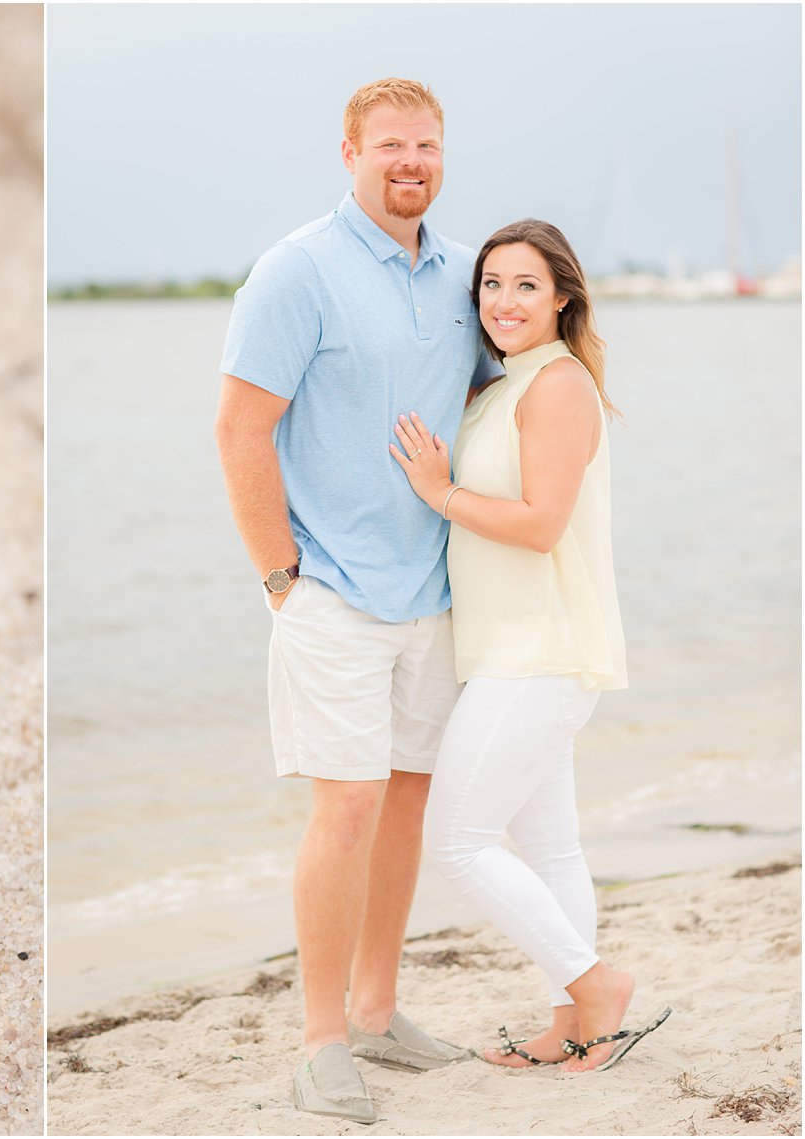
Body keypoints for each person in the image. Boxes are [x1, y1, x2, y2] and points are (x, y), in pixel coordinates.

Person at [215, 78, 500, 1124]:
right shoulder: (297, 271)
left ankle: (378, 1011)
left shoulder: (462, 272)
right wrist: (278, 577)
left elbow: (488, 392)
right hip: (325, 588)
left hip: (431, 589)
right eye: (388, 145)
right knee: (342, 807)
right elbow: (240, 429)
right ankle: (322, 1038)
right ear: (346, 153)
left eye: (424, 144)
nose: (409, 161)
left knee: (407, 801)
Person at [389, 218, 669, 1073]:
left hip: (538, 651)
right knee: (551, 848)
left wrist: (438, 492)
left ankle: (593, 981)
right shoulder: (506, 384)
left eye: (525, 286)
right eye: (491, 285)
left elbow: (542, 524)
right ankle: (577, 1027)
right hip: (516, 649)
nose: (503, 302)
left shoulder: (557, 386)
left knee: (460, 840)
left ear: (563, 298)